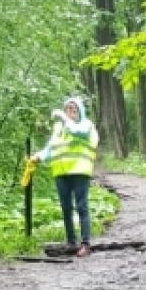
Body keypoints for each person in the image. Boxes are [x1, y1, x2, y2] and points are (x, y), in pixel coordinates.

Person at [31, 96, 99, 257]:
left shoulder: (86, 125)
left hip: (79, 171)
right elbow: (50, 148)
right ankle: (71, 242)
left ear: (80, 111)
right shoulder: (59, 128)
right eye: (68, 109)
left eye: (74, 109)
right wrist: (38, 157)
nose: (70, 112)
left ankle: (85, 244)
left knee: (81, 207)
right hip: (61, 173)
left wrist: (64, 119)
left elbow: (79, 133)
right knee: (66, 208)